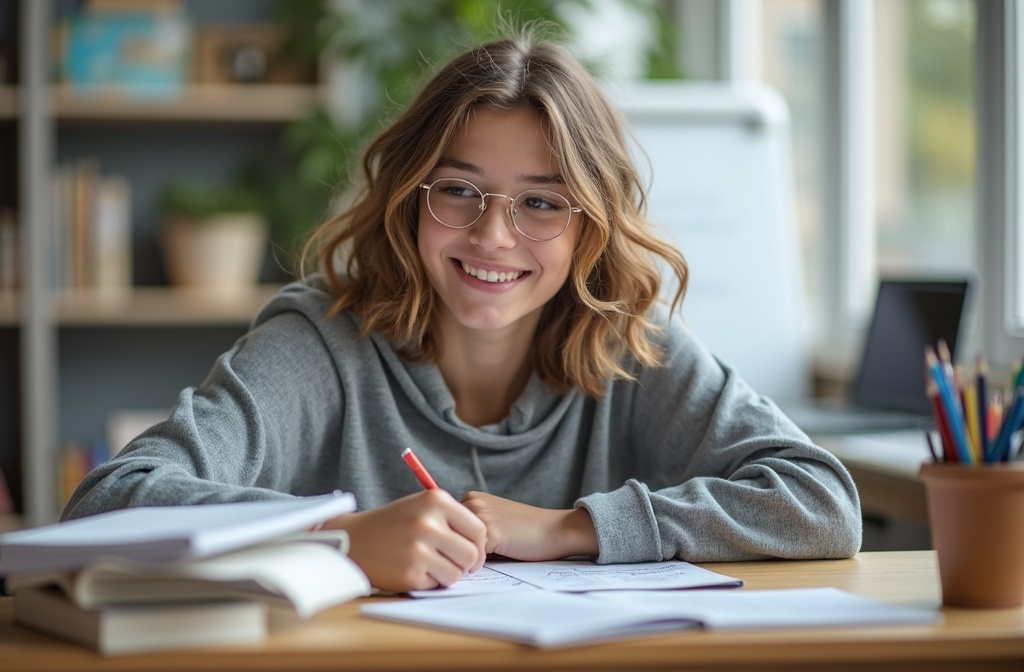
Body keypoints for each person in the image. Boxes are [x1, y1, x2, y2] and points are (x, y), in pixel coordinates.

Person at [63, 29, 862, 592]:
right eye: (457, 190)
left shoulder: (626, 340)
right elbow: (112, 498)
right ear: (410, 196)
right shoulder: (323, 340)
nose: (492, 235)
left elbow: (821, 502)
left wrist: (569, 528)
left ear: (590, 223)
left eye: (543, 203)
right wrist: (333, 536)